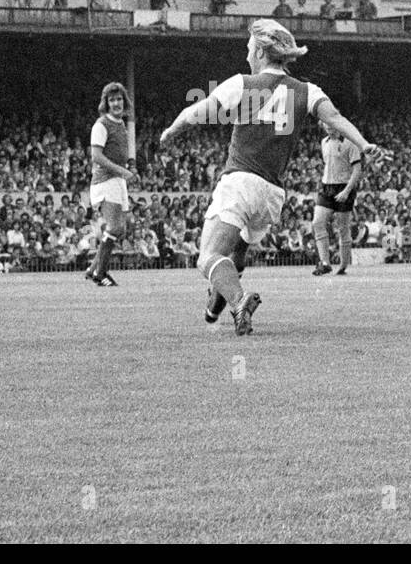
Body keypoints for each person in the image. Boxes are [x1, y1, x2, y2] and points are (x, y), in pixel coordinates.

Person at [159, 19, 388, 335]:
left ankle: (239, 302)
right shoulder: (307, 90)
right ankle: (215, 305)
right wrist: (365, 144)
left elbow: (200, 110)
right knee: (235, 251)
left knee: (208, 256)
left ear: (262, 51)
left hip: (240, 181)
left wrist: (172, 129)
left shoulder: (244, 83)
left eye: (249, 48)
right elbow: (335, 117)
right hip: (271, 196)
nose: (247, 55)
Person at [85, 83, 137, 287]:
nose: (116, 103)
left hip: (117, 179)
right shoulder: (101, 125)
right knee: (114, 227)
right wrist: (123, 171)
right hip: (105, 180)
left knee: (120, 229)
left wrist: (130, 167)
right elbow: (96, 156)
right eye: (112, 100)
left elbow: (118, 152)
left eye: (119, 99)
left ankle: (92, 269)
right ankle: (100, 272)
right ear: (106, 103)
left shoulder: (120, 123)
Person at [312, 126, 362, 276]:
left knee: (343, 227)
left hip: (344, 186)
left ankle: (343, 265)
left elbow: (357, 169)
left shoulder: (350, 143)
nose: (329, 130)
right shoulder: (324, 142)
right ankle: (325, 263)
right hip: (327, 187)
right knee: (317, 222)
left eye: (332, 127)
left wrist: (347, 191)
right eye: (327, 127)